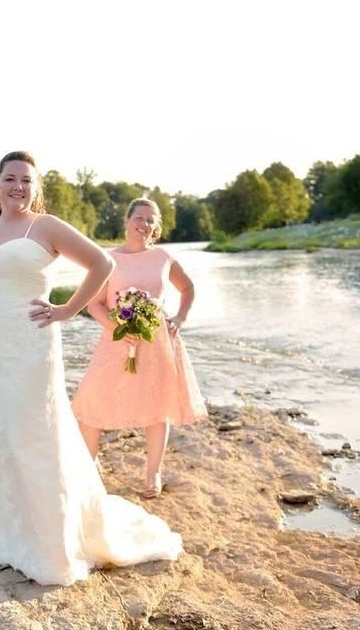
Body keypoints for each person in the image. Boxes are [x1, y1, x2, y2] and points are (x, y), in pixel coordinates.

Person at [0, 151, 183, 586]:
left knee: (33, 435)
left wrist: (67, 310)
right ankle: (2, 534)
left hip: (31, 344)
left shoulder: (46, 226)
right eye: (10, 178)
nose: (18, 186)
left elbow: (102, 263)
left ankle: (44, 540)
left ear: (36, 189)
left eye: (27, 180)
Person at [73, 198, 206, 499]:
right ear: (126, 220)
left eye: (150, 220)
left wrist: (180, 317)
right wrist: (115, 329)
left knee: (157, 406)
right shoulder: (106, 259)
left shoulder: (163, 257)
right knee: (91, 399)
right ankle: (88, 466)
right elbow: (93, 304)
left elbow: (188, 288)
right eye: (139, 218)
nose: (144, 224)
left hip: (157, 341)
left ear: (156, 226)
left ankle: (153, 473)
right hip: (116, 339)